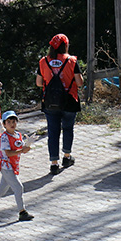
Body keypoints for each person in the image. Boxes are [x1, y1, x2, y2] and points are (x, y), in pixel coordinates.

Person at [36, 33, 84, 175]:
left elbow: (39, 83)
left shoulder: (43, 61)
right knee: (68, 129)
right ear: (66, 45)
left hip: (50, 102)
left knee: (53, 132)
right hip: (69, 101)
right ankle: (67, 157)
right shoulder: (72, 61)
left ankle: (54, 163)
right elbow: (80, 82)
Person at [0, 111, 34, 221]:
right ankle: (22, 212)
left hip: (13, 166)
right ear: (4, 124)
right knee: (18, 188)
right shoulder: (4, 137)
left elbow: (23, 149)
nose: (12, 124)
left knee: (2, 190)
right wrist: (21, 150)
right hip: (7, 167)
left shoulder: (18, 135)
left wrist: (28, 144)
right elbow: (8, 153)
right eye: (9, 122)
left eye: (14, 121)